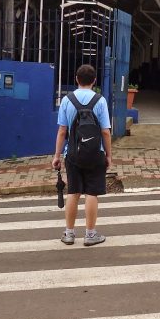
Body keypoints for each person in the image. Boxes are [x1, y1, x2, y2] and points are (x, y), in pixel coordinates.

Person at [52, 64, 112, 246]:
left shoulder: (67, 100)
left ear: (76, 79)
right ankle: (90, 235)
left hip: (73, 154)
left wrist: (57, 156)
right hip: (95, 154)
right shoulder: (100, 100)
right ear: (94, 81)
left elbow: (62, 131)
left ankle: (69, 234)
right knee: (92, 193)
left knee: (73, 192)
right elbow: (106, 132)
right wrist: (109, 155)